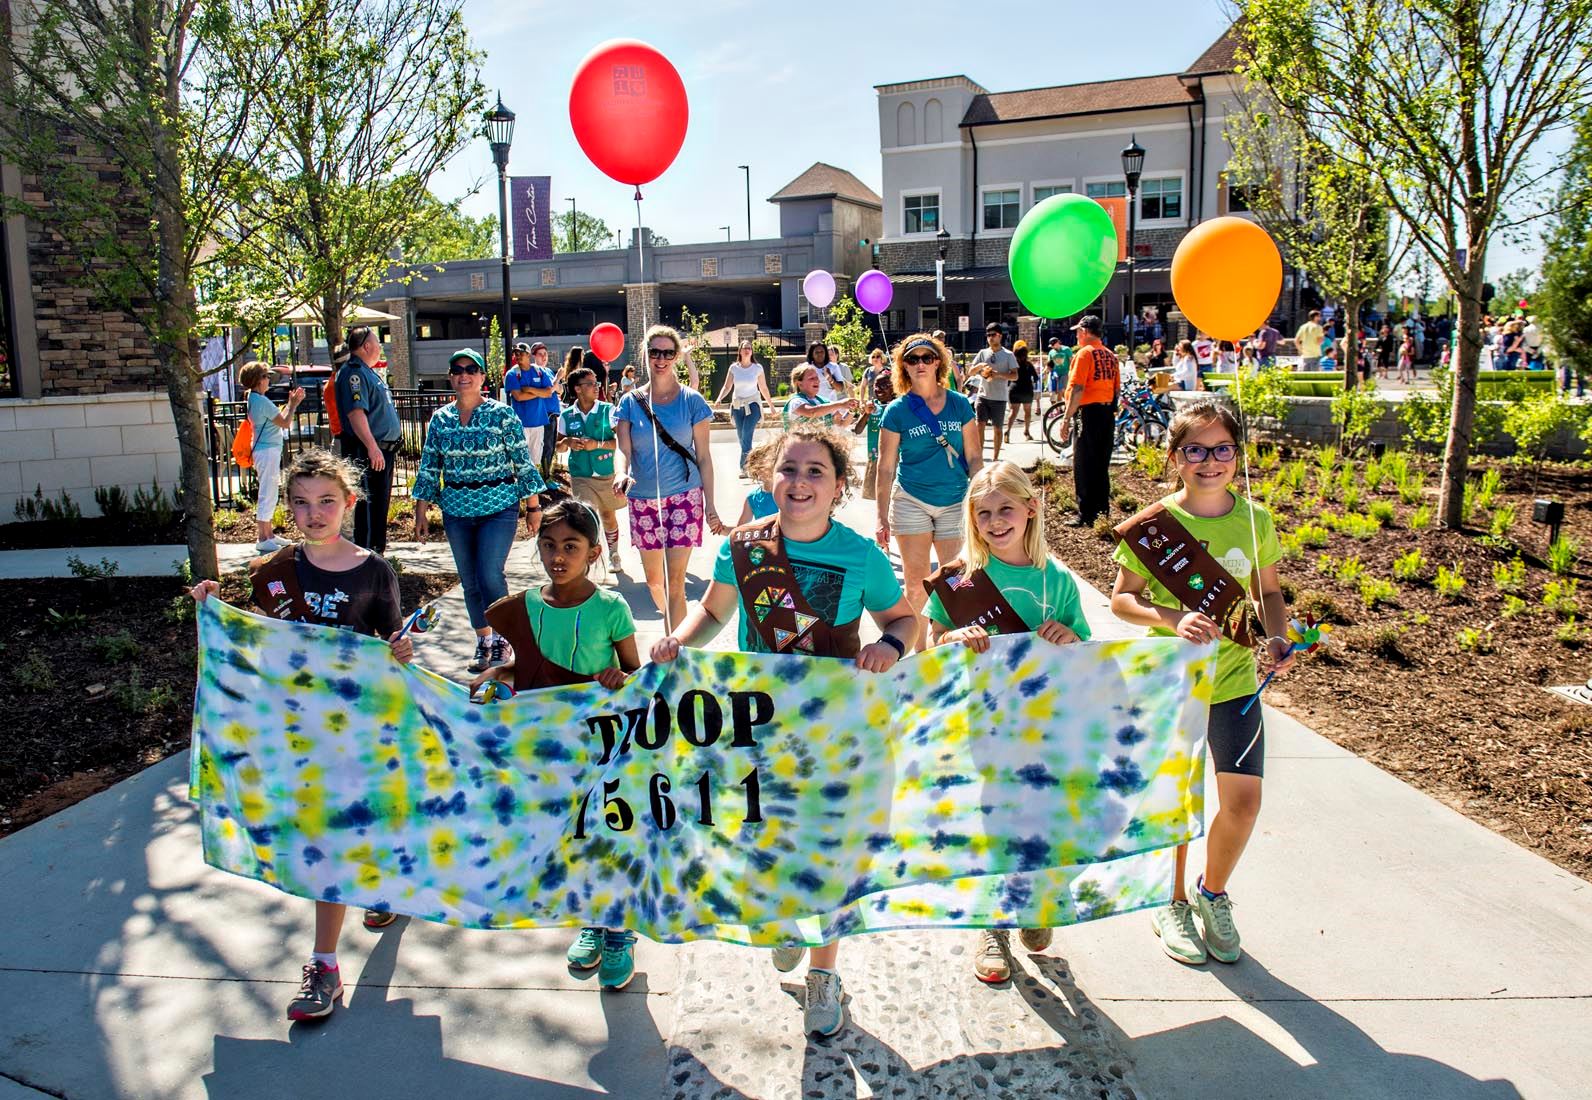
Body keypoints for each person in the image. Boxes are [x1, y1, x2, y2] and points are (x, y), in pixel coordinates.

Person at [649, 425, 918, 1038]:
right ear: (769, 478)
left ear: (838, 486)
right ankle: (780, 914)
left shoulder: (861, 555)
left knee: (831, 847)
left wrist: (889, 645)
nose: (799, 482)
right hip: (758, 721)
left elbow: (904, 619)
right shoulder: (742, 548)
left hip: (834, 726)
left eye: (815, 471)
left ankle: (825, 974)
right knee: (764, 835)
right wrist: (679, 641)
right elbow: (713, 610)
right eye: (788, 469)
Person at [188, 448, 416, 1021]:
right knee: (327, 840)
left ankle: (372, 893)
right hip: (299, 730)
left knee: (357, 824)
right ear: (287, 506)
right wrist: (213, 609)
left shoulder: (373, 571)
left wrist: (401, 650)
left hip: (357, 726)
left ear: (349, 503)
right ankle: (326, 964)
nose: (314, 513)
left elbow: (391, 644)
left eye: (327, 501)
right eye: (301, 502)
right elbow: (256, 642)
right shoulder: (274, 573)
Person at [1108, 400, 1295, 968]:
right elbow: (1122, 601)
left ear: (1237, 456)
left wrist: (1278, 637)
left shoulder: (1255, 521)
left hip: (1235, 681)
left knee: (1244, 802)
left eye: (1222, 449)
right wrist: (1173, 618)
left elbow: (1268, 593)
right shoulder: (1154, 526)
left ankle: (1212, 894)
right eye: (1195, 449)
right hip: (1171, 682)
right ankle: (1170, 902)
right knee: (1176, 803)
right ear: (1175, 457)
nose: (1210, 461)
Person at [922, 460, 1092, 982]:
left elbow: (1084, 650)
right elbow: (930, 644)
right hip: (985, 718)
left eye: (1005, 510)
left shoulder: (1056, 580)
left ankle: (1037, 900)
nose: (995, 522)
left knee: (1042, 815)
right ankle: (992, 923)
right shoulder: (959, 579)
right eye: (984, 513)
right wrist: (951, 639)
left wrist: (1070, 638)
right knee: (995, 818)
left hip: (1045, 722)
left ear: (1031, 509)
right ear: (971, 519)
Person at [470, 497, 642, 988]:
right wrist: (495, 677)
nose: (558, 556)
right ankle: (591, 919)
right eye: (548, 546)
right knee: (574, 836)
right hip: (551, 748)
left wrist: (618, 677)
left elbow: (637, 674)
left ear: (593, 552)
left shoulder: (611, 608)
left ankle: (620, 930)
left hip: (604, 746)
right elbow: (524, 670)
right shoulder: (525, 607)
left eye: (571, 546)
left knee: (609, 834)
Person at [413, 348, 545, 675]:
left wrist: (533, 506)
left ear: (482, 377)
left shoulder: (502, 415)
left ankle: (502, 638)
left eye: (471, 369)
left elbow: (522, 461)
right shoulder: (441, 419)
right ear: (450, 377)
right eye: (458, 370)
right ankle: (483, 639)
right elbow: (429, 467)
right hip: (457, 510)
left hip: (498, 507)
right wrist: (420, 512)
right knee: (470, 580)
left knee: (489, 574)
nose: (464, 375)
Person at [874, 333, 982, 651]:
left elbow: (975, 457)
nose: (920, 363)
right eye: (913, 359)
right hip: (912, 500)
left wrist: (980, 500)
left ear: (938, 363)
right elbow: (885, 467)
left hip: (955, 501)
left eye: (927, 357)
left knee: (955, 583)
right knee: (916, 583)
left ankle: (949, 648)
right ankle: (920, 653)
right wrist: (881, 516)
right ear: (904, 367)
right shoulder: (896, 411)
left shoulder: (960, 405)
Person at [614, 324, 723, 631]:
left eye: (668, 353)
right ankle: (674, 625)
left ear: (676, 356)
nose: (661, 359)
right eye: (655, 352)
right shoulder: (630, 402)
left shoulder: (691, 401)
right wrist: (620, 472)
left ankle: (676, 646)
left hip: (684, 497)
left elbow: (704, 457)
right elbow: (623, 448)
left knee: (675, 582)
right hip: (643, 500)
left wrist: (711, 505)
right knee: (654, 581)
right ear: (645, 354)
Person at [334, 324, 402, 554]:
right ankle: (369, 556)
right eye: (377, 343)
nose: (380, 347)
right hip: (368, 451)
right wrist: (372, 448)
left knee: (379, 506)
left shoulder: (367, 372)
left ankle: (376, 554)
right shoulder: (354, 373)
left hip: (382, 450)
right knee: (370, 508)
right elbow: (356, 414)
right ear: (366, 346)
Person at [556, 366, 624, 570]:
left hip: (607, 473)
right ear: (577, 388)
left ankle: (614, 553)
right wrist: (567, 442)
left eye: (597, 383)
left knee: (608, 516)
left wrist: (598, 444)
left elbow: (621, 442)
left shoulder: (608, 410)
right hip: (581, 475)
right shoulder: (566, 415)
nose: (596, 387)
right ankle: (585, 559)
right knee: (586, 515)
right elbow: (558, 447)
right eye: (591, 384)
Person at [1054, 315, 1119, 527]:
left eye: (1078, 331)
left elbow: (1078, 388)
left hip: (1087, 412)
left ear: (1084, 331)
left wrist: (1066, 418)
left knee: (1083, 463)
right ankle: (1102, 511)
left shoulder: (1084, 354)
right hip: (1106, 412)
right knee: (1101, 463)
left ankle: (1086, 513)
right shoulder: (1110, 355)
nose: (1076, 335)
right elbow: (1116, 389)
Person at [240, 361, 304, 553]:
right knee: (267, 493)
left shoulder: (255, 399)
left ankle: (268, 535)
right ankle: (263, 537)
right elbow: (285, 423)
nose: (269, 379)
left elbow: (277, 420)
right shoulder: (261, 401)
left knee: (269, 492)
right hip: (267, 451)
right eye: (266, 376)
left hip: (265, 450)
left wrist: (290, 405)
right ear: (258, 380)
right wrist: (293, 405)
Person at [714, 340, 773, 471]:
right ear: (740, 351)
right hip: (737, 406)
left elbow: (763, 388)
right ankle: (753, 461)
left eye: (749, 348)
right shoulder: (734, 368)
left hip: (753, 405)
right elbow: (727, 386)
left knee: (746, 434)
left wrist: (771, 405)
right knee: (742, 437)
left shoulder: (757, 368)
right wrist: (719, 398)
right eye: (745, 348)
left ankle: (744, 468)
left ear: (752, 352)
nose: (747, 350)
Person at [504, 342, 558, 482]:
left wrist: (529, 389)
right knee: (520, 459)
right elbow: (518, 396)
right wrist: (539, 392)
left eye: (521, 353)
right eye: (516, 353)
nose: (517, 356)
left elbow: (548, 393)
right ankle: (522, 487)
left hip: (538, 422)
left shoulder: (539, 371)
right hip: (520, 424)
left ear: (528, 355)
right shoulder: (512, 374)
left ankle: (533, 487)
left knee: (535, 460)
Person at [969, 323, 1017, 461]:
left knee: (997, 429)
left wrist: (998, 374)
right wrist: (979, 366)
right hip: (983, 396)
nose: (990, 338)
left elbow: (1015, 376)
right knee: (979, 426)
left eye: (993, 335)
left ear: (1000, 336)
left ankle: (995, 459)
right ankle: (979, 457)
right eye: (988, 335)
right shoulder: (982, 353)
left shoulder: (1008, 355)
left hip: (999, 398)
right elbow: (970, 372)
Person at [857, 348, 894, 500]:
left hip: (894, 460)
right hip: (874, 458)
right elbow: (857, 430)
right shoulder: (873, 407)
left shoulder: (898, 406)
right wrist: (866, 413)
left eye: (884, 386)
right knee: (877, 498)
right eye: (876, 386)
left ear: (893, 387)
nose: (878, 389)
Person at [784, 364, 855, 429]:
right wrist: (841, 404)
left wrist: (852, 409)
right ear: (800, 384)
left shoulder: (824, 402)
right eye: (811, 378)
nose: (817, 381)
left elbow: (841, 424)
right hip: (799, 439)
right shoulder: (796, 401)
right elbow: (812, 412)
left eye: (817, 377)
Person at [735, 438, 779, 524]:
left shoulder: (787, 494)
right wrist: (721, 528)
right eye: (761, 467)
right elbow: (740, 529)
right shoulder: (753, 498)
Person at [1004, 339, 1038, 444]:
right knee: (1027, 412)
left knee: (1013, 412)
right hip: (1027, 390)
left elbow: (1008, 377)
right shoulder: (1029, 365)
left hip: (1014, 389)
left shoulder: (1013, 365)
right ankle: (1026, 431)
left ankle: (1007, 431)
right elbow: (1036, 378)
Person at [1047, 337, 1073, 406]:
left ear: (1057, 343)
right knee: (1060, 391)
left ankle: (1061, 407)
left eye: (1053, 345)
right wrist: (1046, 372)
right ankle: (1065, 405)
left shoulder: (1066, 349)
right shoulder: (1051, 352)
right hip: (1056, 374)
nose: (1052, 347)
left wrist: (1072, 372)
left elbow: (1071, 361)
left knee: (1061, 390)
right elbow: (1049, 364)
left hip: (1065, 373)